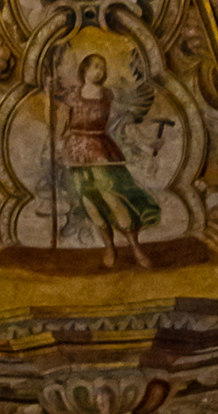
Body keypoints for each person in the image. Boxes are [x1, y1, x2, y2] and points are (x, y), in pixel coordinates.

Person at [56, 53, 159, 266]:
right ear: (84, 69)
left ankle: (135, 247)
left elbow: (123, 118)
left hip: (100, 146)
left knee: (111, 194)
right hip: (75, 150)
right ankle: (110, 248)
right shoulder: (72, 94)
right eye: (95, 66)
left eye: (102, 67)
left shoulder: (108, 94)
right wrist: (58, 144)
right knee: (89, 201)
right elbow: (62, 122)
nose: (99, 71)